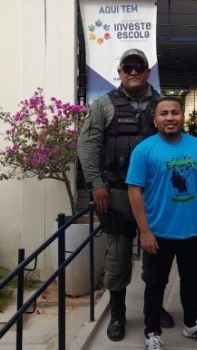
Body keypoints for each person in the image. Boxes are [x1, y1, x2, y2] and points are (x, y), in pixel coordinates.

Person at [76, 48, 174, 342]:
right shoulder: (105, 104)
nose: (133, 71)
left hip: (155, 194)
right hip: (116, 192)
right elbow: (88, 145)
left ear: (147, 71)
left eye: (139, 66)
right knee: (117, 255)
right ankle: (118, 313)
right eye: (127, 67)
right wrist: (96, 184)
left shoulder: (162, 104)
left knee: (155, 255)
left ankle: (153, 309)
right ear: (119, 71)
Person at [126, 98, 197, 350]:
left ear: (182, 116)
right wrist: (144, 231)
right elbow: (134, 191)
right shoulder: (144, 150)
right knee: (155, 283)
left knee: (191, 279)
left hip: (192, 229)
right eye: (164, 113)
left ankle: (191, 324)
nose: (170, 118)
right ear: (155, 119)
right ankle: (152, 331)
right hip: (158, 232)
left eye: (175, 113)